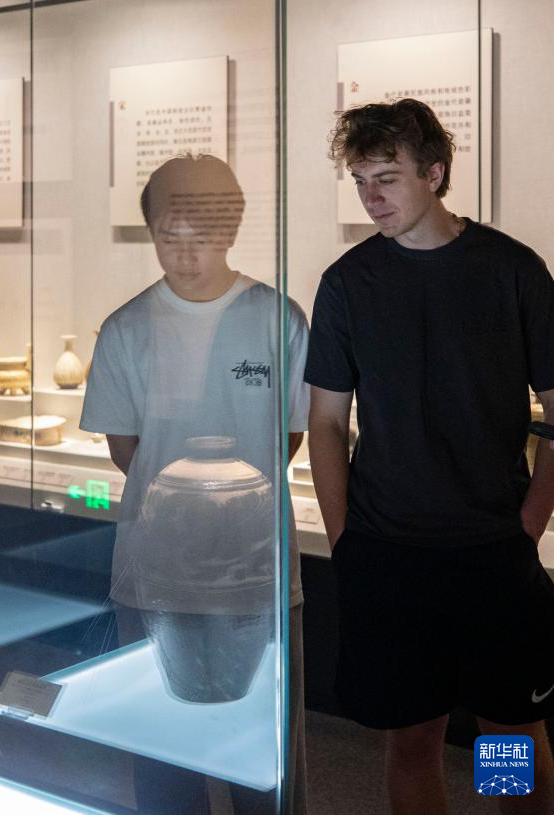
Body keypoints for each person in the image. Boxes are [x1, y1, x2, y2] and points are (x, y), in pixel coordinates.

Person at [305, 97, 554, 814]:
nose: (371, 197)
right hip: (388, 553)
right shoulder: (347, 283)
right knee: (412, 737)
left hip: (493, 550)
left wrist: (528, 524)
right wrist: (344, 537)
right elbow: (326, 421)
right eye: (360, 181)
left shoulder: (511, 271)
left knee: (506, 732)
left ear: (434, 173)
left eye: (386, 178)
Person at [80, 154, 310, 814]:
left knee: (264, 763)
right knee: (163, 763)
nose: (184, 247)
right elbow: (126, 450)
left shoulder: (277, 318)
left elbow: (289, 438)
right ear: (152, 231)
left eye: (201, 228)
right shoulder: (125, 328)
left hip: (256, 575)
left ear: (230, 227)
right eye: (168, 231)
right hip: (157, 574)